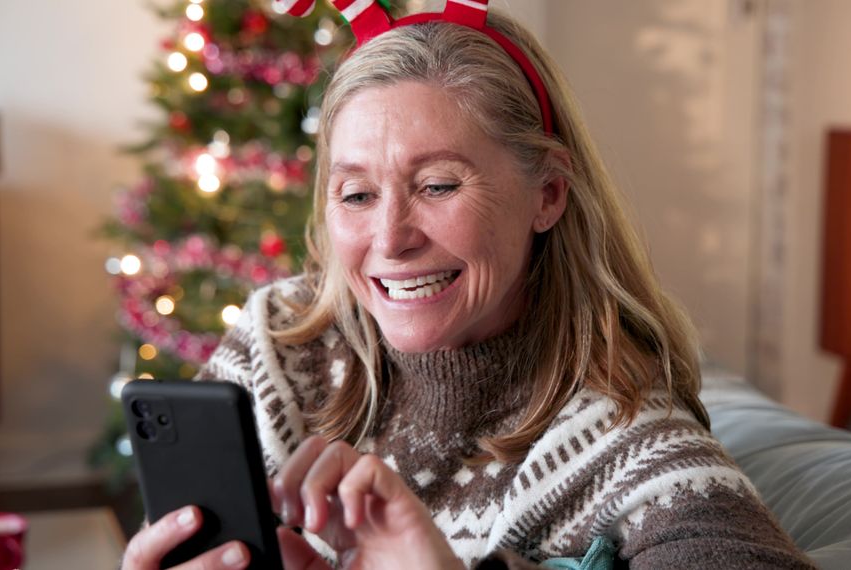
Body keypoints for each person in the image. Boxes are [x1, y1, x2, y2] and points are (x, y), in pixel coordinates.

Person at [123, 2, 814, 568]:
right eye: (357, 194)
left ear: (547, 192)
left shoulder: (622, 435)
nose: (391, 238)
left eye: (438, 185)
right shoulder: (281, 345)